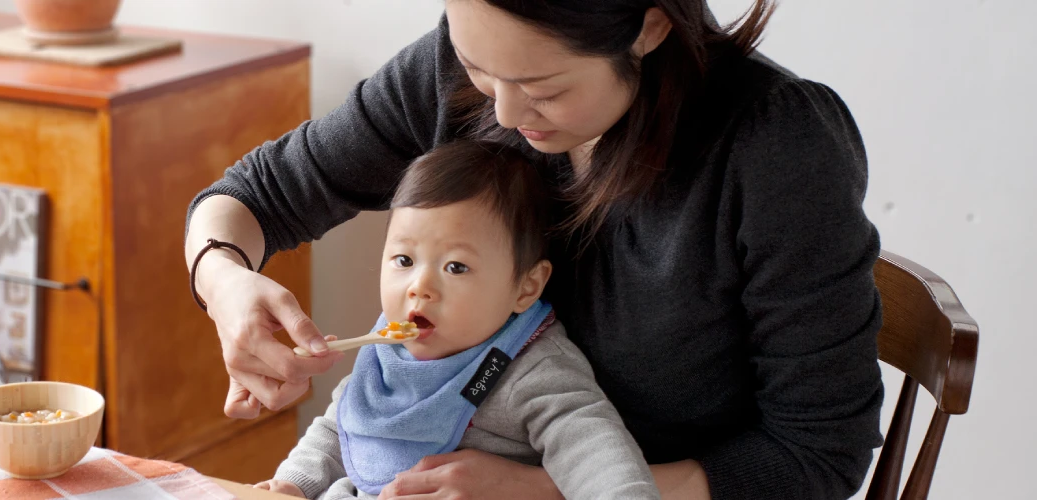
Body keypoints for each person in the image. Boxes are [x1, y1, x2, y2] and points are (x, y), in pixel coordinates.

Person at [183, 0, 884, 498]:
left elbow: (817, 455)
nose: (505, 117)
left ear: (649, 27)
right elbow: (255, 194)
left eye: (541, 88)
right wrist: (225, 283)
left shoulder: (778, 148)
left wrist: (548, 491)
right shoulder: (458, 70)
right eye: (478, 67)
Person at [253, 140, 660, 499]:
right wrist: (293, 483)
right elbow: (344, 428)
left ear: (526, 287)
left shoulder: (534, 370)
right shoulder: (384, 347)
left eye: (456, 267)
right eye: (404, 260)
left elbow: (596, 454)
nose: (420, 286)